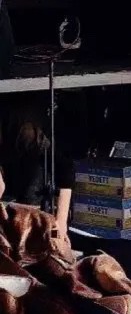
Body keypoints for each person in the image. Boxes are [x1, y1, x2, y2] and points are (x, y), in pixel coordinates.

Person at [0, 95, 75, 236]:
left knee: (29, 207)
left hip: (32, 132)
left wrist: (61, 221)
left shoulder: (30, 135)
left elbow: (66, 168)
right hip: (13, 137)